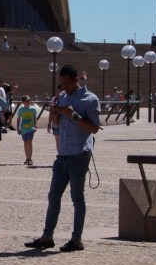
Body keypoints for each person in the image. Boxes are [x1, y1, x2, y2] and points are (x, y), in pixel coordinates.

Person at [26, 64, 101, 252]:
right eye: (62, 84)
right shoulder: (62, 97)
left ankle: (76, 239)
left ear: (76, 80)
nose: (64, 87)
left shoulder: (90, 99)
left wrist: (72, 114)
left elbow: (94, 129)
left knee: (77, 198)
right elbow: (58, 126)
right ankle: (47, 237)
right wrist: (55, 115)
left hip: (79, 154)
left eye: (67, 83)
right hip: (63, 155)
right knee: (53, 196)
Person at [15, 95, 38, 166]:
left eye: (29, 100)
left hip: (31, 128)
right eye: (26, 101)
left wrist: (35, 126)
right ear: (23, 102)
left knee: (29, 142)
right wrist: (18, 128)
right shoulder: (21, 110)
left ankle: (29, 158)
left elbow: (35, 118)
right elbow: (18, 119)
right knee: (25, 142)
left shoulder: (33, 109)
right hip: (23, 129)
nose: (28, 102)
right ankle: (27, 158)